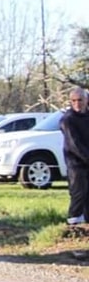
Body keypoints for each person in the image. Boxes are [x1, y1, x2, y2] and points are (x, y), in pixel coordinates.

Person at [60, 86, 89, 226]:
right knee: (78, 194)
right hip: (76, 163)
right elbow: (74, 145)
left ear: (86, 100)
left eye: (80, 100)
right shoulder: (68, 119)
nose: (77, 103)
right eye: (74, 100)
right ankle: (73, 226)